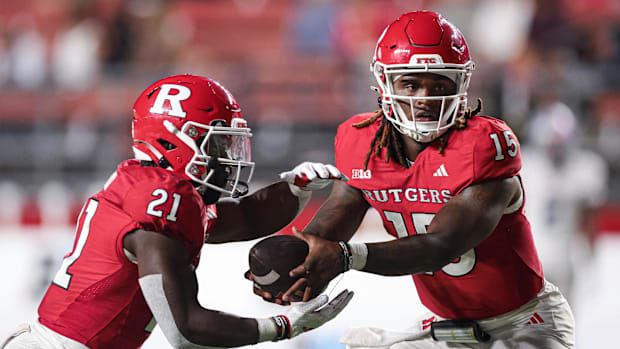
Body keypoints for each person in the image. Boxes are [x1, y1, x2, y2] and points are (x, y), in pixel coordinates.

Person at [253, 11, 575, 348]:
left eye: (439, 84)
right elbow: (335, 221)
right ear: (385, 84)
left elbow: (440, 246)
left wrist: (346, 257)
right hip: (442, 325)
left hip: (522, 321)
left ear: (460, 85)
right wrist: (290, 269)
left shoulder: (482, 146)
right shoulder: (362, 141)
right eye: (410, 83)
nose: (424, 97)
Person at [1, 74, 353, 349]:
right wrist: (286, 326)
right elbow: (186, 329)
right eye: (217, 142)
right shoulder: (161, 198)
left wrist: (295, 188)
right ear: (173, 140)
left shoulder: (158, 190)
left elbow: (246, 218)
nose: (229, 156)